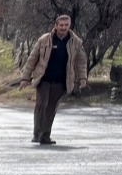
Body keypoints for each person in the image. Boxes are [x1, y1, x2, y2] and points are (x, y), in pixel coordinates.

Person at [21, 14, 88, 145]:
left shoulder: (76, 42)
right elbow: (32, 59)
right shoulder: (44, 40)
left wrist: (83, 77)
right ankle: (37, 133)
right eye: (61, 25)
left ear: (69, 26)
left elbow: (81, 61)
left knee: (51, 108)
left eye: (66, 25)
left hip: (61, 81)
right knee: (42, 104)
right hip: (43, 79)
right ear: (56, 26)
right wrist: (25, 78)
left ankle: (45, 136)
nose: (63, 28)